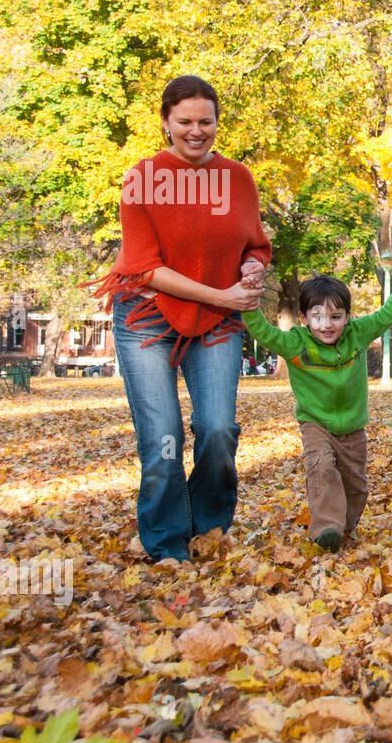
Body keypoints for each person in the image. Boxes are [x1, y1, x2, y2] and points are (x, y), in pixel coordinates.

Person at [89, 76, 270, 564]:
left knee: (216, 429)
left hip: (216, 319)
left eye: (205, 122)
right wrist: (224, 293)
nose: (196, 131)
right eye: (185, 122)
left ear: (216, 122)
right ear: (166, 122)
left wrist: (253, 266)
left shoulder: (238, 178)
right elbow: (146, 267)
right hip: (147, 315)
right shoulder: (142, 178)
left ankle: (208, 528)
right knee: (163, 437)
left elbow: (255, 243)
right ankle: (167, 544)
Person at [240, 273, 392, 552]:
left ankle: (345, 526)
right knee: (321, 467)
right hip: (315, 422)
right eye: (317, 316)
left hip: (353, 426)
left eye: (335, 317)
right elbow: (264, 333)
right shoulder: (297, 343)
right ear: (304, 317)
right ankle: (326, 529)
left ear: (347, 317)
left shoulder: (358, 333)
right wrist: (249, 303)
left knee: (355, 483)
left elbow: (386, 316)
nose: (326, 324)